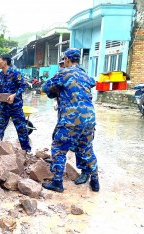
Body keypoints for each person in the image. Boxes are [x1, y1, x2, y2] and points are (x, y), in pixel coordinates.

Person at [41, 48, 99, 193]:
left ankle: (57, 182)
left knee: (59, 148)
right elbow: (91, 84)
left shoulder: (63, 72)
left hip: (71, 119)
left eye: (64, 59)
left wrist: (54, 91)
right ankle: (95, 181)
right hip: (90, 118)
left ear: (66, 59)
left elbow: (45, 87)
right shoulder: (85, 74)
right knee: (87, 149)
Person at [0, 53, 32, 155]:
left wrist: (15, 95)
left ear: (5, 62)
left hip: (15, 107)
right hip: (4, 106)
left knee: (21, 128)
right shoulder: (0, 75)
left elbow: (23, 86)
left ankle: (26, 150)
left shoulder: (15, 73)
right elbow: (2, 89)